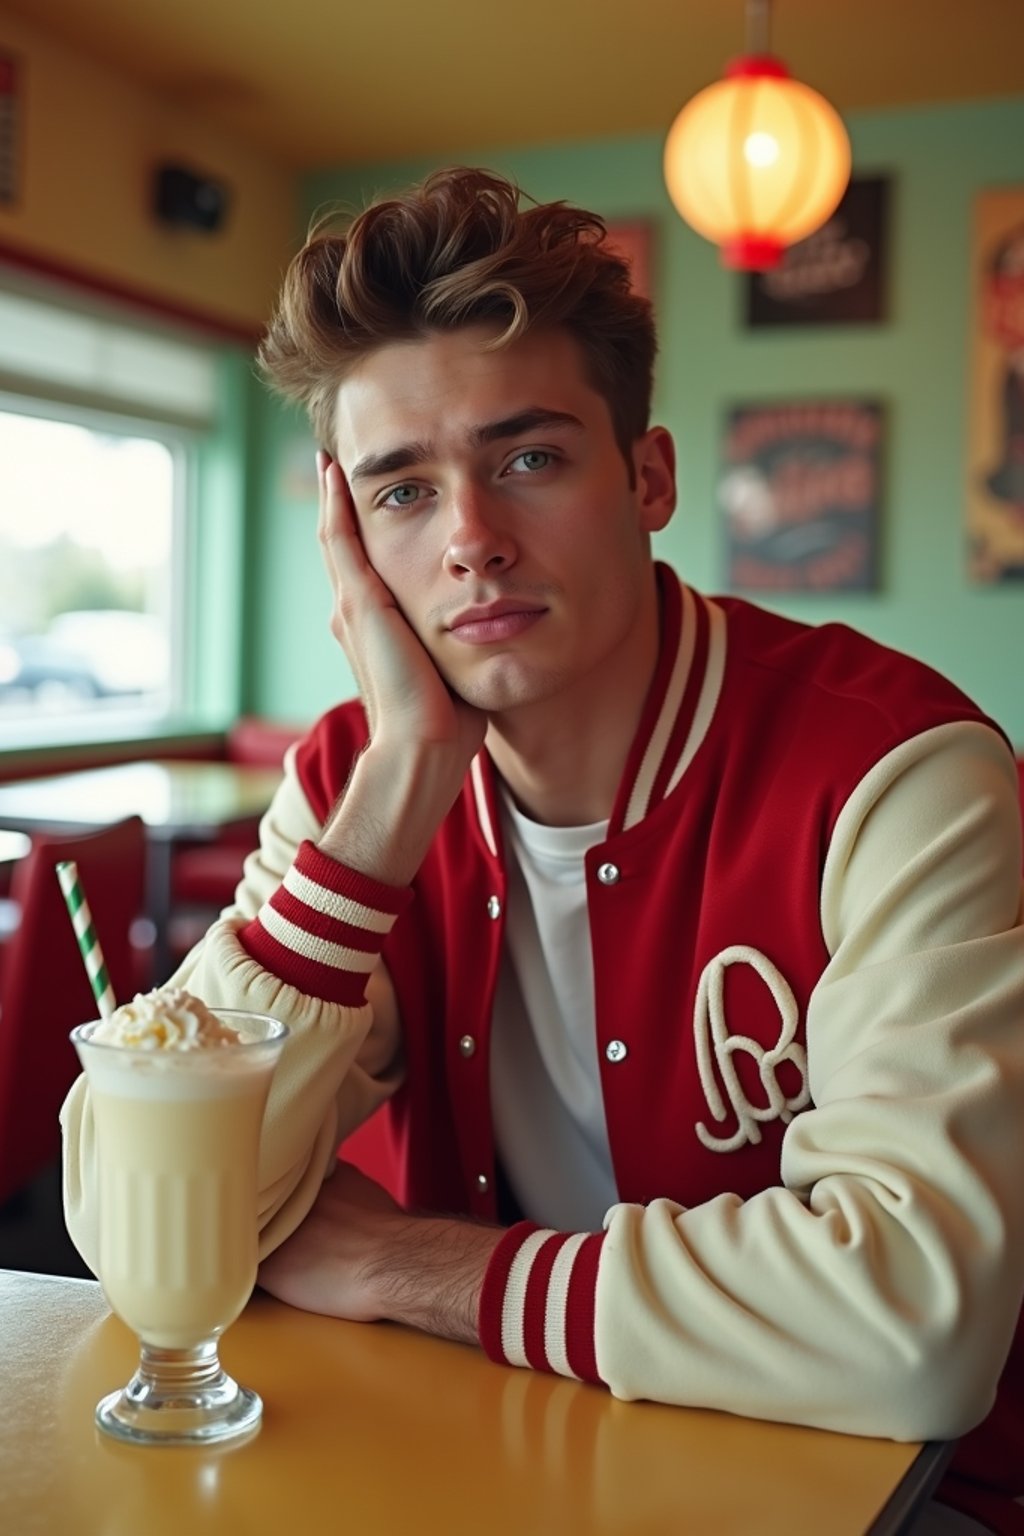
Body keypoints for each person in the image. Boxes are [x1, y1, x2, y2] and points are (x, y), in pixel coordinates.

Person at [62, 168, 1024, 1532]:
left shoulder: (897, 775)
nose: (470, 542)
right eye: (401, 492)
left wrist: (409, 1266)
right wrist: (395, 798)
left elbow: (917, 1326)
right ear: (349, 547)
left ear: (648, 477)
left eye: (529, 459)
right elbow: (137, 1230)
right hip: (491, 1460)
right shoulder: (357, 784)